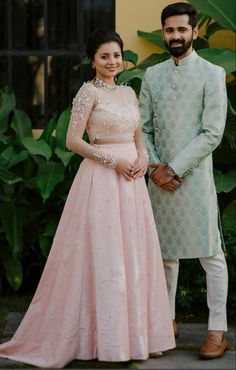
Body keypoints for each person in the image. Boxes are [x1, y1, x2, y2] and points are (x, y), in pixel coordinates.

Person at [0, 29, 175, 368]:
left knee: (132, 255)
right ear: (93, 60)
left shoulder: (127, 92)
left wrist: (141, 156)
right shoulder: (87, 93)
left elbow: (139, 133)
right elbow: (72, 141)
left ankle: (134, 338)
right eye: (104, 56)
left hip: (133, 181)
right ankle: (103, 340)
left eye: (116, 55)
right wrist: (116, 160)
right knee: (106, 255)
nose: (112, 62)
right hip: (103, 179)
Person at [139, 2, 228, 360]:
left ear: (194, 32)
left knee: (211, 255)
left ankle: (217, 331)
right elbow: (142, 128)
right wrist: (155, 169)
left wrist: (173, 169)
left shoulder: (212, 73)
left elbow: (212, 133)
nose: (175, 36)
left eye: (181, 30)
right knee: (164, 256)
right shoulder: (152, 76)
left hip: (193, 177)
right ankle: (166, 324)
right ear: (163, 33)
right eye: (169, 30)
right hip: (158, 177)